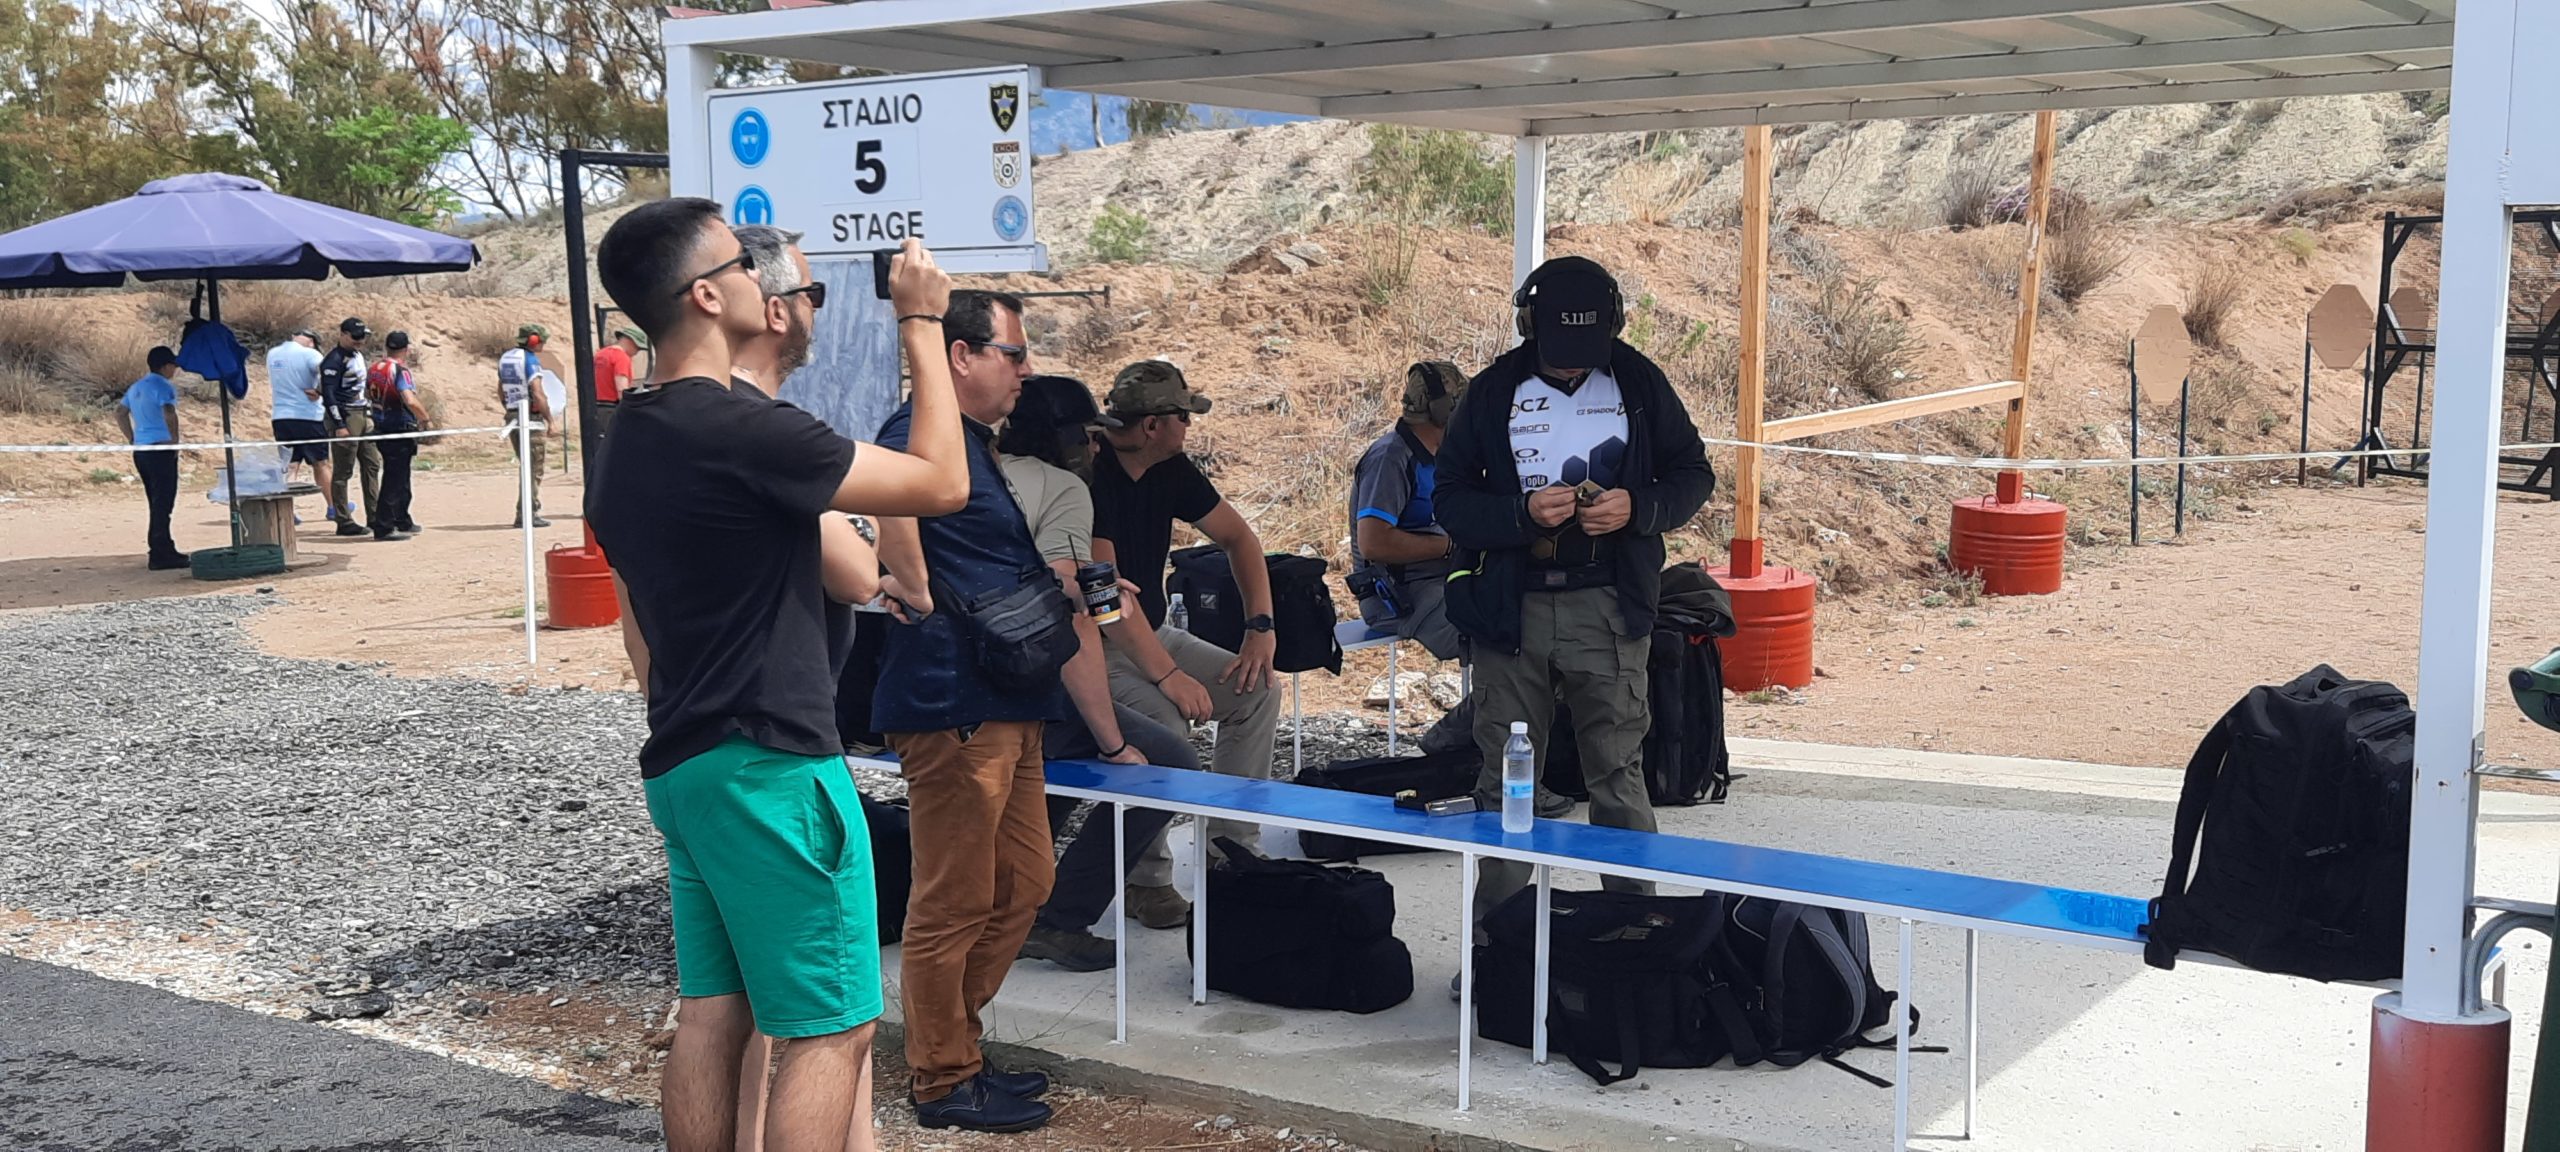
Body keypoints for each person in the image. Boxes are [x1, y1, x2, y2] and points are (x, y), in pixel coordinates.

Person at [588, 200, 967, 1152]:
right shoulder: (739, 428)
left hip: (687, 762)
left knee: (715, 1013)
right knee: (831, 1028)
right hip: (774, 764)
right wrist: (921, 321)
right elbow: (941, 483)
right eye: (742, 268)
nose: (764, 284)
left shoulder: (628, 437)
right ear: (707, 296)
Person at [1434, 255, 1715, 932]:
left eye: (1586, 346)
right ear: (1531, 326)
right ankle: (1497, 942)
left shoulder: (1639, 381)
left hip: (1608, 602)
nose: (1571, 363)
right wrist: (1520, 515)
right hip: (1512, 607)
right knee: (1506, 783)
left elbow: (1693, 474)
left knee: (1618, 774)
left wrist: (1638, 508)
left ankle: (1636, 932)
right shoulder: (1493, 390)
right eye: (1559, 346)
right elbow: (1450, 499)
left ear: (1612, 326)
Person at [869, 290, 1071, 1132]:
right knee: (953, 898)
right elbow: (894, 536)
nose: (1025, 370)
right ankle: (942, 1077)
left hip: (1006, 697)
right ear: (960, 355)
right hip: (953, 700)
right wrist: (912, 589)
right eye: (1013, 353)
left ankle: (956, 1045)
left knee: (1025, 881)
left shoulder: (964, 442)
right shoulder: (912, 438)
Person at [993, 373, 1191, 973]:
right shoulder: (1065, 489)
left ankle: (1016, 906)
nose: (1097, 446)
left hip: (963, 681)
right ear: (1065, 438)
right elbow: (1074, 611)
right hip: (1029, 682)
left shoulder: (981, 472)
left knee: (1052, 763)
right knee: (1168, 764)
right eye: (1088, 434)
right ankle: (1058, 918)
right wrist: (1112, 741)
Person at [1090, 359, 1281, 931]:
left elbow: (1238, 538)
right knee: (1164, 728)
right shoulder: (1090, 472)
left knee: (1255, 691)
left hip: (1150, 630)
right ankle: (1146, 879)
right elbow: (1106, 604)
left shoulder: (1169, 467)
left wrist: (1260, 627)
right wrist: (1169, 677)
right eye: (1183, 416)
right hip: (1095, 646)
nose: (1190, 427)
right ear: (1152, 425)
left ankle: (1231, 852)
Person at [1347, 359, 1469, 662]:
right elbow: (1374, 543)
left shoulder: (1440, 454)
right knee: (1490, 635)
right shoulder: (1390, 458)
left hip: (1439, 578)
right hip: (1402, 592)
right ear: (1446, 411)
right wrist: (1450, 546)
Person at [118, 346, 189, 571]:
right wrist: (174, 440)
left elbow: (120, 413)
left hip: (142, 450)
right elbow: (169, 412)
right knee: (163, 502)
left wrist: (132, 437)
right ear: (165, 366)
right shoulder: (163, 386)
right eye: (173, 366)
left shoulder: (136, 387)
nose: (175, 370)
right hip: (160, 449)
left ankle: (164, 546)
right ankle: (159, 552)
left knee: (155, 501)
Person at [366, 332, 431, 540]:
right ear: (406, 349)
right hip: (399, 427)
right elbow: (409, 399)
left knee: (401, 477)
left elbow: (368, 395)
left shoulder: (375, 368)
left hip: (381, 425)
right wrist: (425, 418)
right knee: (394, 478)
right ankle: (384, 526)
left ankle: (402, 519)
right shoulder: (400, 370)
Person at [320, 317, 380, 537]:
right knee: (343, 471)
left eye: (363, 337)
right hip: (346, 415)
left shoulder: (358, 355)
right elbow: (328, 395)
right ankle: (343, 520)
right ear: (343, 335)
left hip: (364, 413)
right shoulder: (333, 360)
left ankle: (375, 516)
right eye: (355, 337)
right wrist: (339, 424)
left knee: (372, 465)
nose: (360, 341)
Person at [266, 331, 333, 509]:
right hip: (308, 416)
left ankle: (287, 510)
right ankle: (333, 507)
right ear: (311, 341)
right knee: (321, 464)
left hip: (281, 416)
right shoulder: (310, 354)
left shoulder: (273, 353)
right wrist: (319, 391)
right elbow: (328, 372)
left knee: (290, 465)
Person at [497, 324, 554, 528]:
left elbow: (501, 390)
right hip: (530, 418)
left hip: (513, 415)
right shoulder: (530, 360)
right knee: (533, 468)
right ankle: (527, 513)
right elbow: (538, 393)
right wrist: (550, 420)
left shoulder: (506, 358)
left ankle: (525, 512)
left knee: (525, 465)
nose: (543, 344)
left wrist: (510, 409)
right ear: (533, 340)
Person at [592, 324, 645, 445]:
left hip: (595, 407)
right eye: (638, 348)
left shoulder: (600, 354)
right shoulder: (622, 358)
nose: (637, 352)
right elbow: (621, 388)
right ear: (631, 341)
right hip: (611, 409)